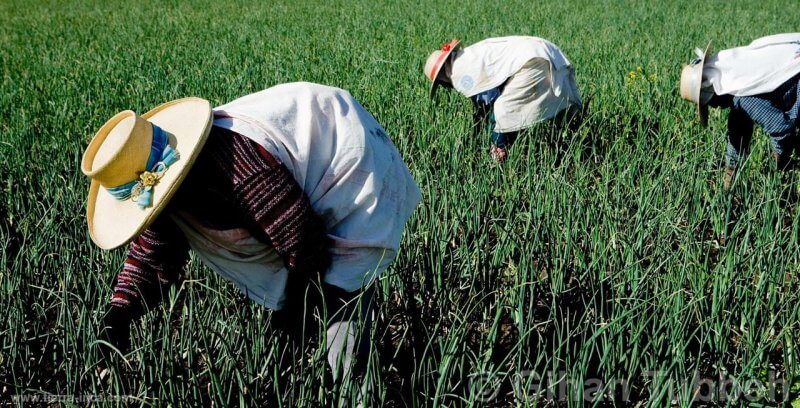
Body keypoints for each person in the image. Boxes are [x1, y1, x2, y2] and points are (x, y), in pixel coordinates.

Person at [82, 82, 421, 395]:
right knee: (290, 327)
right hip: (293, 204)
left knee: (341, 310)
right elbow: (153, 257)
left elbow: (305, 242)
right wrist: (118, 314)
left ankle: (355, 388)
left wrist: (293, 311)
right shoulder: (170, 199)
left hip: (345, 159)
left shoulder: (236, 169)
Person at [423, 36, 583, 162]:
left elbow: (489, 101)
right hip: (542, 50)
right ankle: (570, 135)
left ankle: (500, 155)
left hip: (531, 60)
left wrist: (493, 139)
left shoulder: (458, 73)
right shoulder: (467, 57)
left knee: (503, 111)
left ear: (442, 78)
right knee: (512, 111)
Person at [680, 34, 800, 189]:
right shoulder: (738, 76)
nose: (715, 107)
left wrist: (778, 165)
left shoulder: (743, 96)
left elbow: (782, 129)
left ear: (714, 92)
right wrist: (730, 173)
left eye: (710, 103)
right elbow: (737, 133)